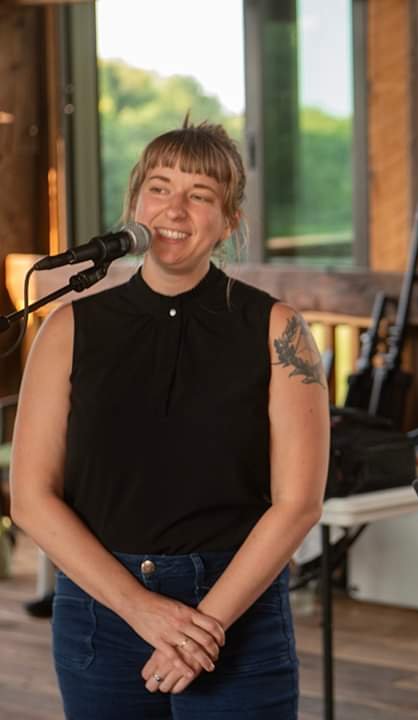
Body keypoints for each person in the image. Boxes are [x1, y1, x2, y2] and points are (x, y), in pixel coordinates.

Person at [10, 118, 330, 719]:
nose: (174, 208)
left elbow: (299, 503)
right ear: (134, 204)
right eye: (159, 187)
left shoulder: (277, 329)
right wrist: (141, 608)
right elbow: (30, 498)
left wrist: (202, 627)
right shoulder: (69, 328)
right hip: (100, 612)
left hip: (237, 608)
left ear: (229, 221)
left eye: (200, 195)